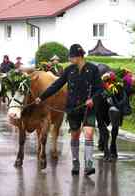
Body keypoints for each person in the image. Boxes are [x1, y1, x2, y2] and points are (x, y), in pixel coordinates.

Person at [35, 44, 103, 176]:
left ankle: (88, 165)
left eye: (71, 57)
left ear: (79, 56)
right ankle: (76, 162)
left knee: (88, 133)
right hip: (73, 108)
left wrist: (93, 99)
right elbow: (56, 85)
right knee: (75, 135)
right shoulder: (69, 70)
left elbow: (100, 89)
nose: (70, 59)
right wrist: (42, 97)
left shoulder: (93, 69)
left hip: (89, 108)